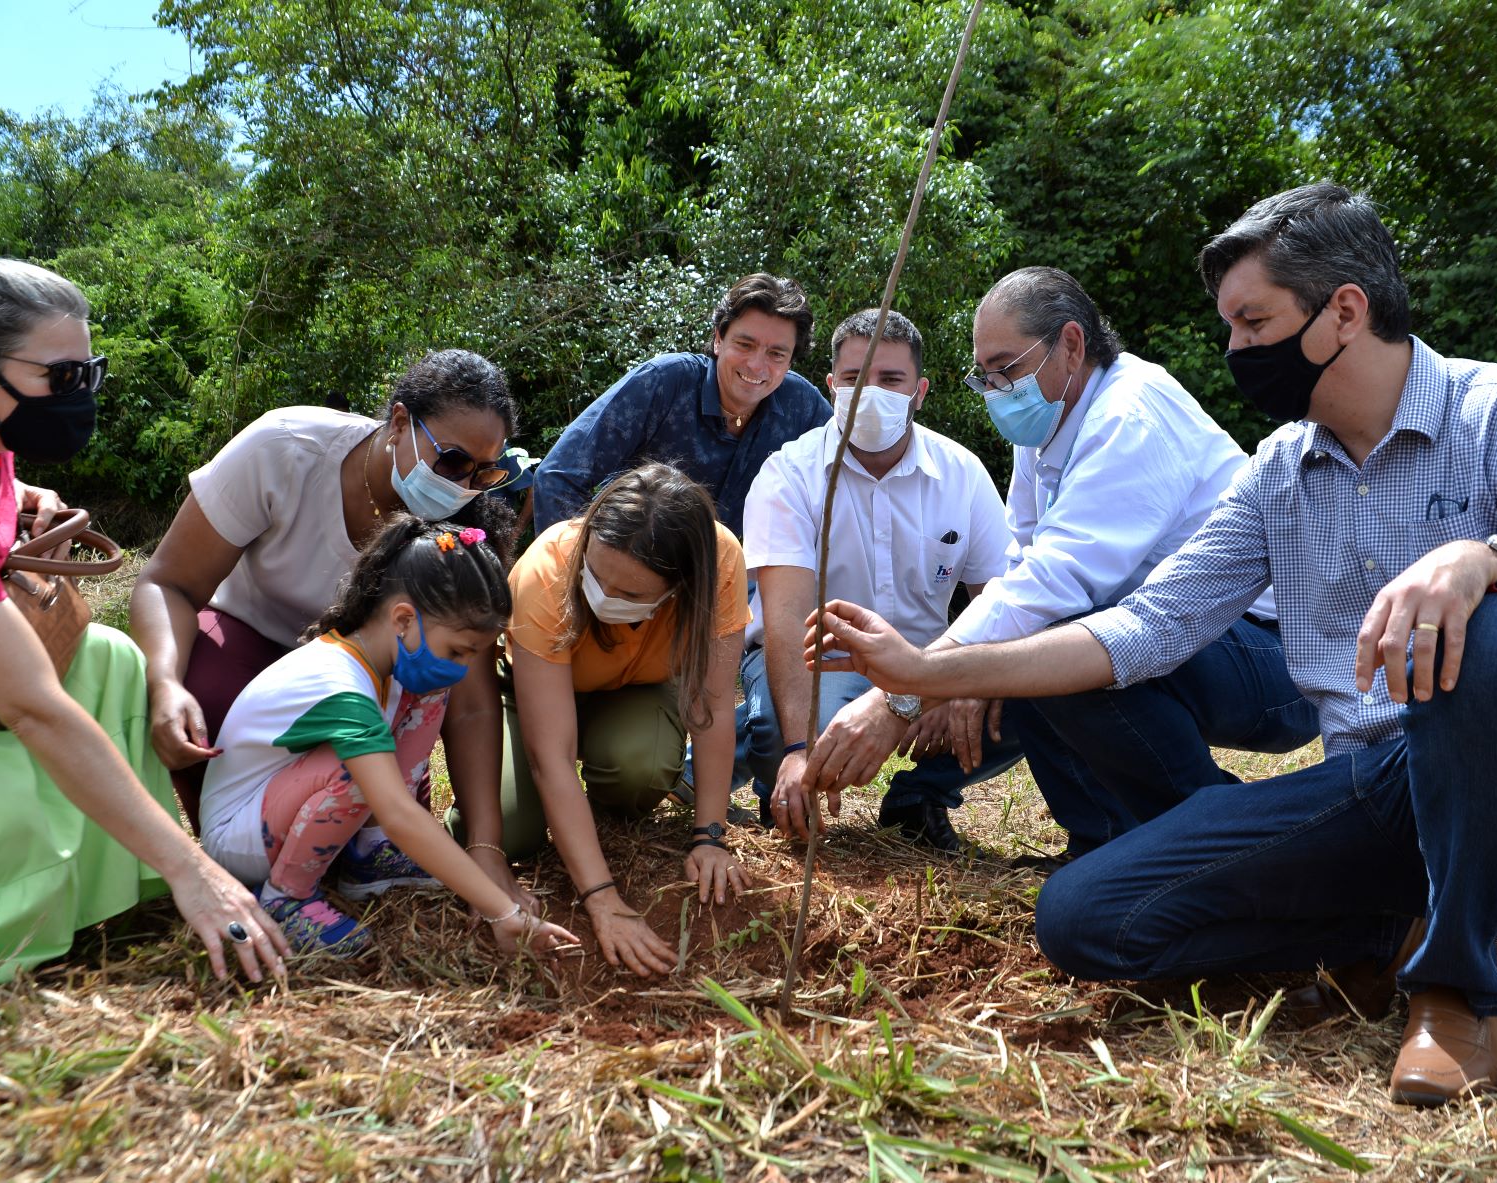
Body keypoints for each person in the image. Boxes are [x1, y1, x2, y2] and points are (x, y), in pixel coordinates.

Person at [806, 182, 1497, 1106]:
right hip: (1381, 788)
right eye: (1230, 326)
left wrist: (1492, 562)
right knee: (1084, 917)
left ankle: (1454, 988)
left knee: (1496, 629)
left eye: (1254, 321)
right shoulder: (1279, 471)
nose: (1237, 350)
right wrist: (927, 673)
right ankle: (1379, 931)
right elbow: (1145, 626)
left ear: (1344, 311)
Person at [0, 252, 287, 985]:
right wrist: (195, 864)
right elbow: (33, 707)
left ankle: (105, 899)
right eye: (60, 379)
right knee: (1, 813)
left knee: (111, 659)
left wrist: (24, 490)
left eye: (88, 373)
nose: (79, 396)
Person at [828, 266, 1314, 862]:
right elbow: (1020, 560)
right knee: (1032, 647)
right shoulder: (1045, 427)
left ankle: (1225, 845)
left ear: (1072, 343)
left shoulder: (1128, 416)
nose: (998, 389)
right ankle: (1102, 844)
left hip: (1275, 653)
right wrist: (975, 671)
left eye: (1006, 368)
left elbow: (1053, 583)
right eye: (985, 375)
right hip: (1180, 639)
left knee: (1056, 645)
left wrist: (909, 690)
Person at [128, 350, 538, 920]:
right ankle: (260, 873)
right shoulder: (285, 449)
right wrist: (165, 683)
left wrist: (486, 852)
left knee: (396, 758)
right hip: (256, 647)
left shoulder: (461, 538)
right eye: (451, 461)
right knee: (208, 697)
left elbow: (469, 700)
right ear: (398, 423)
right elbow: (167, 582)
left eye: (483, 473)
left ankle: (359, 853)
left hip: (372, 676)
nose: (464, 485)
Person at [199, 511, 580, 957]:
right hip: (239, 839)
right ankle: (287, 897)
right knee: (360, 770)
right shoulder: (339, 685)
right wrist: (500, 910)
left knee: (430, 692)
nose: (461, 667)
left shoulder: (380, 663)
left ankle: (369, 854)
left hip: (280, 808)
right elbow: (398, 809)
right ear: (403, 618)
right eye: (457, 651)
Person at [741, 309, 1015, 851]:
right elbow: (785, 617)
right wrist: (799, 747)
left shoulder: (962, 473)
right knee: (784, 730)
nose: (870, 393)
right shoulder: (788, 473)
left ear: (920, 392)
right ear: (830, 384)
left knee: (1024, 697)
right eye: (853, 379)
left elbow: (1003, 599)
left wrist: (971, 681)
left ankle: (920, 797)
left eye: (890, 380)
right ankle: (782, 777)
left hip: (931, 660)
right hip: (823, 658)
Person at [504, 463, 750, 977]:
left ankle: (597, 806)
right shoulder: (546, 569)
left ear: (682, 586)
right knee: (512, 827)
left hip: (633, 691)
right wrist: (602, 899)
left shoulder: (720, 561)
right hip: (534, 691)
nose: (604, 597)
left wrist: (710, 835)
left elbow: (714, 705)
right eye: (595, 576)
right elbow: (550, 756)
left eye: (633, 595)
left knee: (638, 769)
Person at [531, 273, 832, 538]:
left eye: (776, 354)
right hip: (629, 576)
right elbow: (559, 475)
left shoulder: (801, 407)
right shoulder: (663, 383)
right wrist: (582, 575)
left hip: (736, 589)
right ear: (718, 340)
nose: (756, 365)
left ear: (791, 360)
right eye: (745, 345)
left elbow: (849, 479)